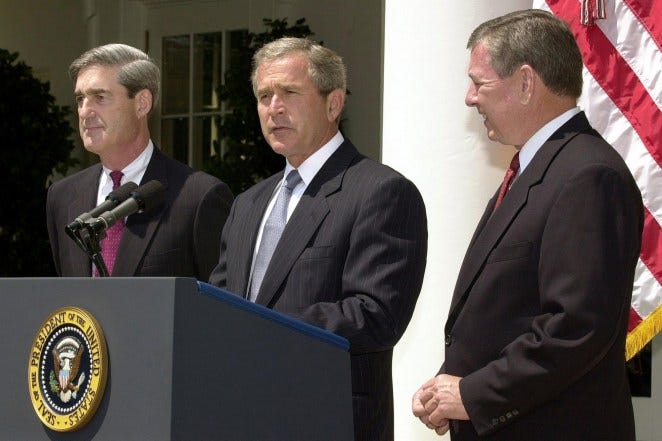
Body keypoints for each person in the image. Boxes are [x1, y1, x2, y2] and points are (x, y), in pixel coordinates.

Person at [412, 9, 643, 441]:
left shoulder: (589, 176)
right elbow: (506, 310)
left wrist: (475, 394)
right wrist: (450, 385)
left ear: (525, 82)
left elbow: (575, 327)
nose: (469, 97)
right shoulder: (538, 169)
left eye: (479, 83)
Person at [209, 37, 428, 440]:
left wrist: (260, 328)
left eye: (289, 92)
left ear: (334, 103)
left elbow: (376, 314)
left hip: (326, 419)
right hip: (239, 418)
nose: (273, 107)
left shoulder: (381, 192)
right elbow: (221, 304)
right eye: (264, 95)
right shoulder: (247, 203)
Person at [47, 44, 233, 279]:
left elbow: (219, 304)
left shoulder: (199, 196)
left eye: (100, 97)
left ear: (142, 103)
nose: (85, 111)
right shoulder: (62, 197)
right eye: (80, 99)